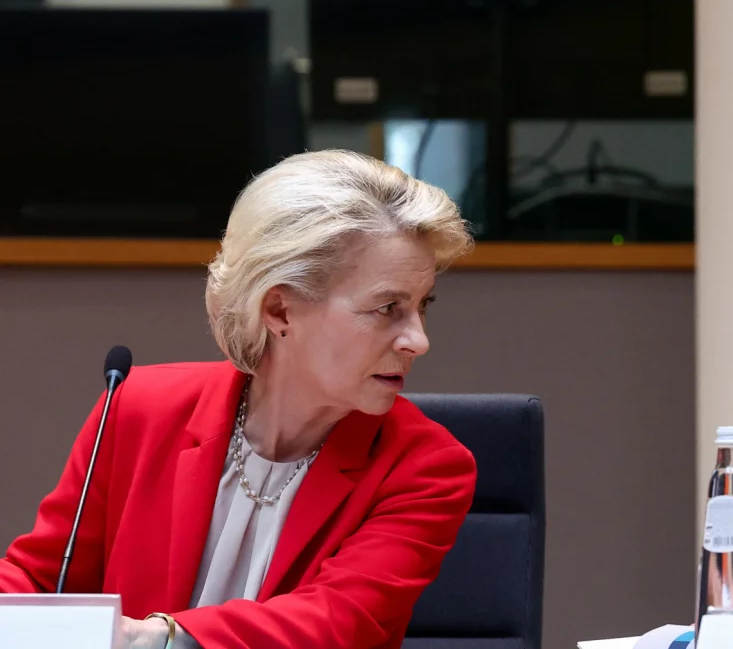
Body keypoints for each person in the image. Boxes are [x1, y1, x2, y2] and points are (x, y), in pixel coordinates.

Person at [0, 150, 478, 649]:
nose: (417, 340)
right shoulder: (137, 407)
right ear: (280, 311)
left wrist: (154, 639)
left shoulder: (427, 465)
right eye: (387, 308)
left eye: (421, 306)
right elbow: (38, 582)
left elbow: (337, 623)